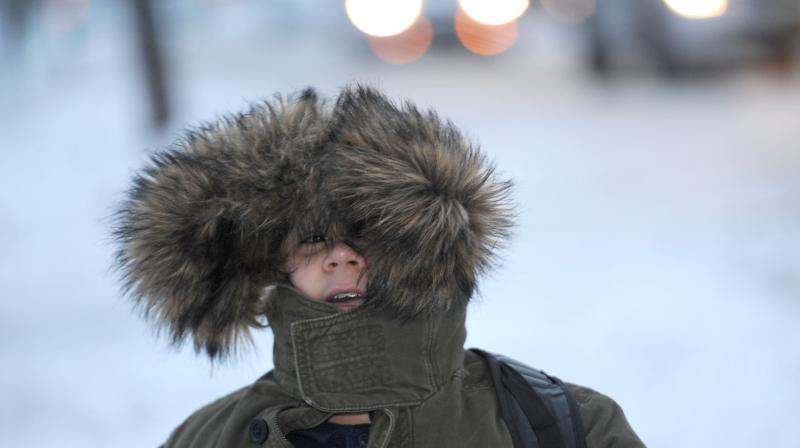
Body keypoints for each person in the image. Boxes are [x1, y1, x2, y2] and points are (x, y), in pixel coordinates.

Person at [114, 86, 644, 447]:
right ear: (271, 262)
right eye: (314, 238)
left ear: (426, 250)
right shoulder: (210, 438)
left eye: (367, 235)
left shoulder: (564, 426)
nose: (341, 255)